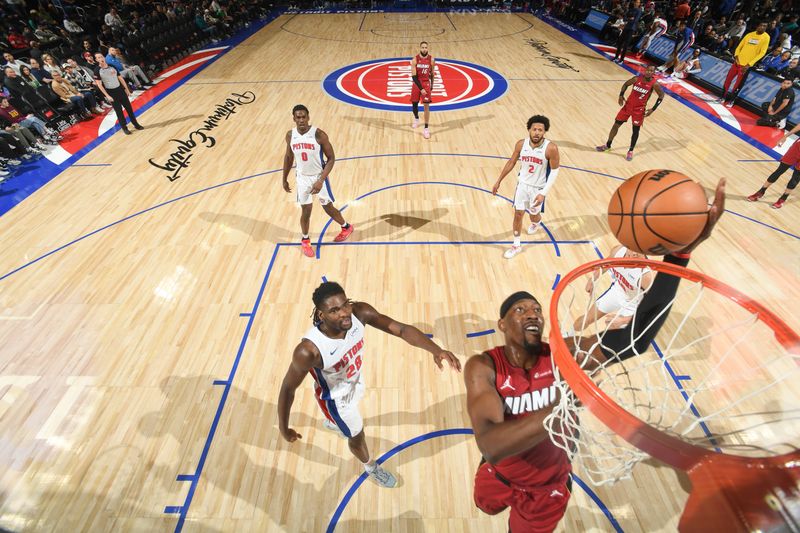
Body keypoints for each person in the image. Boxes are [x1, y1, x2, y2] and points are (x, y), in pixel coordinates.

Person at [466, 179, 725, 533]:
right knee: (483, 507)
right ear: (501, 323)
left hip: (547, 487)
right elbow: (491, 445)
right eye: (520, 310)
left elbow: (637, 337)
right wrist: (564, 400)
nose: (532, 314)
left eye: (537, 310)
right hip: (498, 472)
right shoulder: (484, 366)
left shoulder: (565, 355)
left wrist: (678, 256)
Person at [278, 281, 461, 488]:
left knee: (349, 421)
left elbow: (400, 330)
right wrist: (284, 429)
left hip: (354, 381)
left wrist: (436, 350)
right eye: (334, 310)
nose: (344, 313)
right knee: (357, 435)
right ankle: (370, 467)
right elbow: (287, 388)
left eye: (345, 304)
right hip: (337, 400)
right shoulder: (308, 351)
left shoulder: (359, 313)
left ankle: (335, 423)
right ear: (321, 315)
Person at [281, 105, 354, 258]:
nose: (301, 120)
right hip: (302, 178)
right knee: (306, 211)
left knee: (327, 207)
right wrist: (284, 178)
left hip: (318, 176)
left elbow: (332, 158)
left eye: (303, 117)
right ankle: (305, 240)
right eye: (298, 117)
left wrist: (321, 180)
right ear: (293, 119)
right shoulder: (290, 135)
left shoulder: (319, 134)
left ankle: (346, 227)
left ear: (308, 117)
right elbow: (288, 157)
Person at [492, 115, 560, 260]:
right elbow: (511, 162)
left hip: (538, 188)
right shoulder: (521, 144)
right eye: (534, 129)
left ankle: (537, 222)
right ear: (529, 130)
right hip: (522, 185)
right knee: (518, 214)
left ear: (544, 132)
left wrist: (543, 193)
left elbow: (554, 171)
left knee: (533, 215)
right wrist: (498, 181)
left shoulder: (551, 148)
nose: (537, 132)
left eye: (540, 130)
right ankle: (516, 245)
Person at [571, 245, 655, 332]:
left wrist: (624, 320)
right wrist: (593, 279)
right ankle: (567, 335)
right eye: (632, 249)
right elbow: (606, 264)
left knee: (611, 332)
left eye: (639, 252)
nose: (634, 254)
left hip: (633, 305)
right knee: (587, 319)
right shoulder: (618, 251)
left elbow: (653, 307)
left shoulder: (646, 276)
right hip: (617, 291)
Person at [596, 65, 665, 161]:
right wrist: (621, 95)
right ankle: (607, 145)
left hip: (639, 110)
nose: (649, 72)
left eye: (651, 71)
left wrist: (653, 109)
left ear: (653, 73)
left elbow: (661, 95)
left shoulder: (655, 84)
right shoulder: (636, 79)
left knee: (635, 131)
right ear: (645, 70)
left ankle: (630, 151)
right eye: (648, 70)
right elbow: (625, 84)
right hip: (627, 106)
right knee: (615, 125)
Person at [747, 122, 800, 209]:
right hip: (797, 147)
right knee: (780, 170)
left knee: (796, 177)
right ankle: (761, 191)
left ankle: (783, 198)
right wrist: (786, 136)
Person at [720, 21, 770, 108]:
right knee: (728, 79)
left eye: (765, 26)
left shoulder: (766, 37)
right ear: (757, 26)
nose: (762, 27)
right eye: (761, 25)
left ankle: (731, 100)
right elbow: (740, 46)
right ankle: (722, 97)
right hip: (737, 62)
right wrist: (736, 56)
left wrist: (749, 64)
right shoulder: (749, 34)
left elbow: (762, 53)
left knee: (738, 84)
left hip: (746, 66)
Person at [92, 53, 143, 135]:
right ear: (96, 60)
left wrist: (126, 89)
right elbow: (99, 85)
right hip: (111, 92)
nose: (100, 58)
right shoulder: (97, 70)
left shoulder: (112, 66)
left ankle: (136, 124)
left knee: (129, 109)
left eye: (101, 56)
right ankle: (124, 128)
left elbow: (120, 78)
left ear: (104, 57)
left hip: (120, 90)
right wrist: (107, 96)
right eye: (98, 57)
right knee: (119, 112)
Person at [410, 41, 435, 140]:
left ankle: (426, 128)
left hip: (426, 83)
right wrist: (421, 89)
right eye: (422, 47)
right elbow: (414, 77)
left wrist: (432, 85)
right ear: (420, 48)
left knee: (426, 106)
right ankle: (416, 118)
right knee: (414, 104)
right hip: (417, 83)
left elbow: (432, 74)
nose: (424, 49)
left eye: (426, 47)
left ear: (427, 48)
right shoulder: (415, 60)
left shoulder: (432, 60)